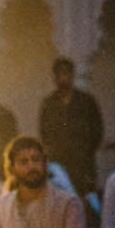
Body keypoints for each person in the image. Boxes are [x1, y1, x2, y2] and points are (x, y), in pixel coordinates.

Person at [38, 58, 104, 196]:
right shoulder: (49, 104)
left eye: (66, 73)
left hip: (83, 162)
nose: (63, 78)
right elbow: (44, 132)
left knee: (85, 200)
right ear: (54, 78)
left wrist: (85, 150)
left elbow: (97, 130)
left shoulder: (86, 102)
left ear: (72, 76)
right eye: (59, 74)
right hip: (59, 162)